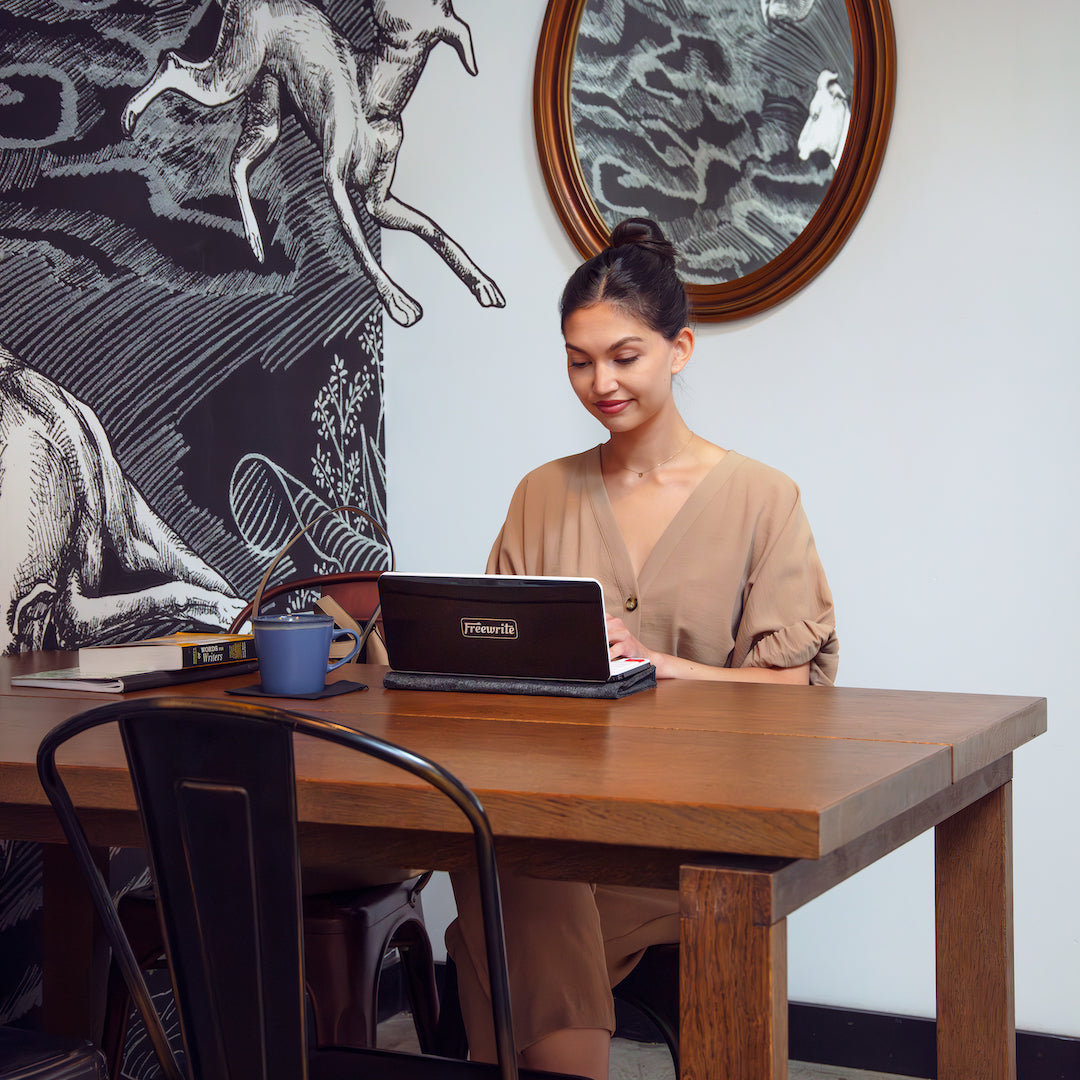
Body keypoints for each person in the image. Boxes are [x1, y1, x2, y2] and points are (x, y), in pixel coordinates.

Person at [444, 218, 838, 1079]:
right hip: (552, 819)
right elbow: (492, 659)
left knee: (492, 898)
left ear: (680, 349)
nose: (600, 382)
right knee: (508, 858)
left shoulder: (762, 499)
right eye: (579, 360)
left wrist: (664, 667)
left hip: (691, 840)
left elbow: (797, 693)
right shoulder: (541, 494)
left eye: (624, 356)